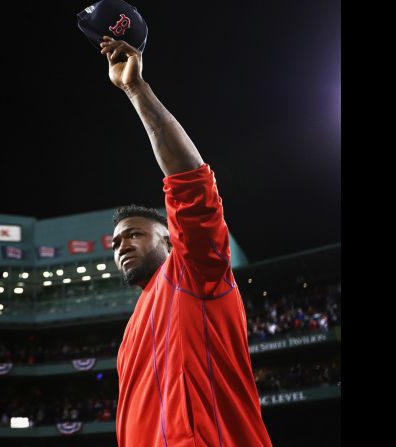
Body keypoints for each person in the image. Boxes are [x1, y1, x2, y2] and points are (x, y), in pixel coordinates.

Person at [100, 35, 273, 446]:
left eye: (134, 234)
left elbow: (191, 184)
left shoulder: (194, 272)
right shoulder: (130, 335)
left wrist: (136, 90)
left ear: (171, 239)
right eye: (115, 243)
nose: (120, 245)